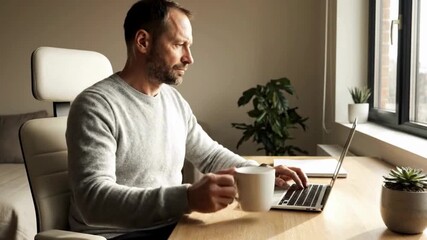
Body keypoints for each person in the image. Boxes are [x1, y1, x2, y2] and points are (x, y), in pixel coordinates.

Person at [66, 0, 308, 239]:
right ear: (143, 42)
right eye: (179, 44)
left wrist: (261, 173)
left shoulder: (173, 101)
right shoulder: (95, 106)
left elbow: (210, 155)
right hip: (118, 235)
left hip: (171, 225)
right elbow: (93, 201)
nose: (189, 58)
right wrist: (188, 198)